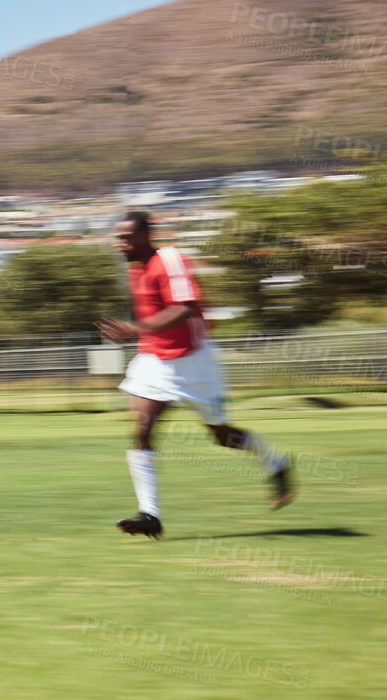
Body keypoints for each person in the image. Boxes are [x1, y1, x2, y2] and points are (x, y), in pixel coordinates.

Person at [96, 211, 294, 540]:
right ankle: (150, 514)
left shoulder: (169, 258)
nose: (120, 244)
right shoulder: (134, 270)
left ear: (146, 236)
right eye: (118, 237)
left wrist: (135, 328)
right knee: (142, 427)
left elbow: (185, 307)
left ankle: (276, 463)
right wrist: (140, 334)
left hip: (195, 361)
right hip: (154, 360)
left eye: (127, 237)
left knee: (221, 436)